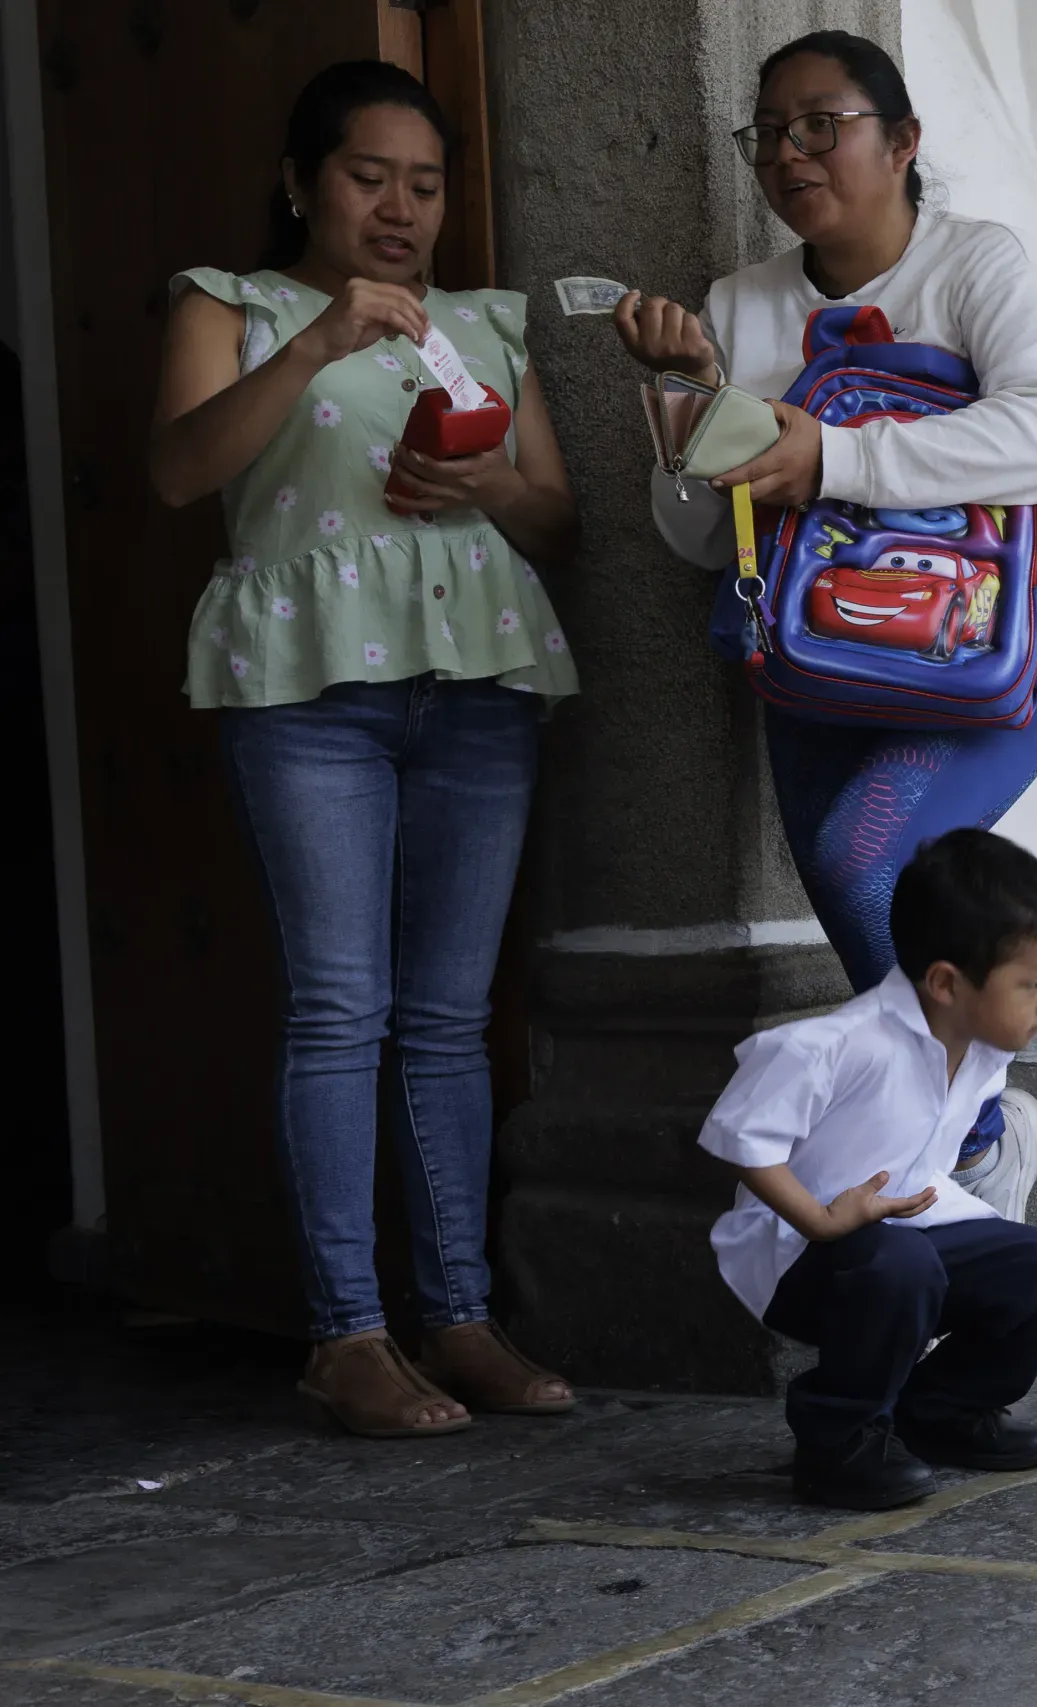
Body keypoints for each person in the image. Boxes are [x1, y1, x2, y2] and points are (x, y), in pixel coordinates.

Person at [147, 61, 581, 1437]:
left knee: (450, 1020)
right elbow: (176, 469)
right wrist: (321, 345)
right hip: (310, 687)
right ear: (302, 182)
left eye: (426, 182)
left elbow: (556, 517)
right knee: (343, 1009)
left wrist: (489, 481)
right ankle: (347, 1331)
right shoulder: (234, 302)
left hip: (478, 685)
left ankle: (457, 1314)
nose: (401, 207)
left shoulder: (485, 322)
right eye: (367, 175)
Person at [620, 29, 1037, 1220]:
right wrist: (677, 413)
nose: (790, 153)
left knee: (863, 862)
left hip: (986, 661)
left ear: (903, 140)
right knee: (865, 913)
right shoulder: (742, 302)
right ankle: (973, 1139)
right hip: (817, 664)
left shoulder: (977, 267)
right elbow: (695, 536)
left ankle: (979, 1122)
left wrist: (833, 450)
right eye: (769, 134)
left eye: (822, 124)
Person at [698, 830, 1037, 1510]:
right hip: (804, 1253)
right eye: (1033, 982)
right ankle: (838, 1439)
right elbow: (740, 1133)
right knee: (899, 1264)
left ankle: (940, 1412)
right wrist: (823, 1219)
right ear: (946, 982)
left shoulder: (980, 1049)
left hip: (914, 1231)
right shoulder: (838, 1043)